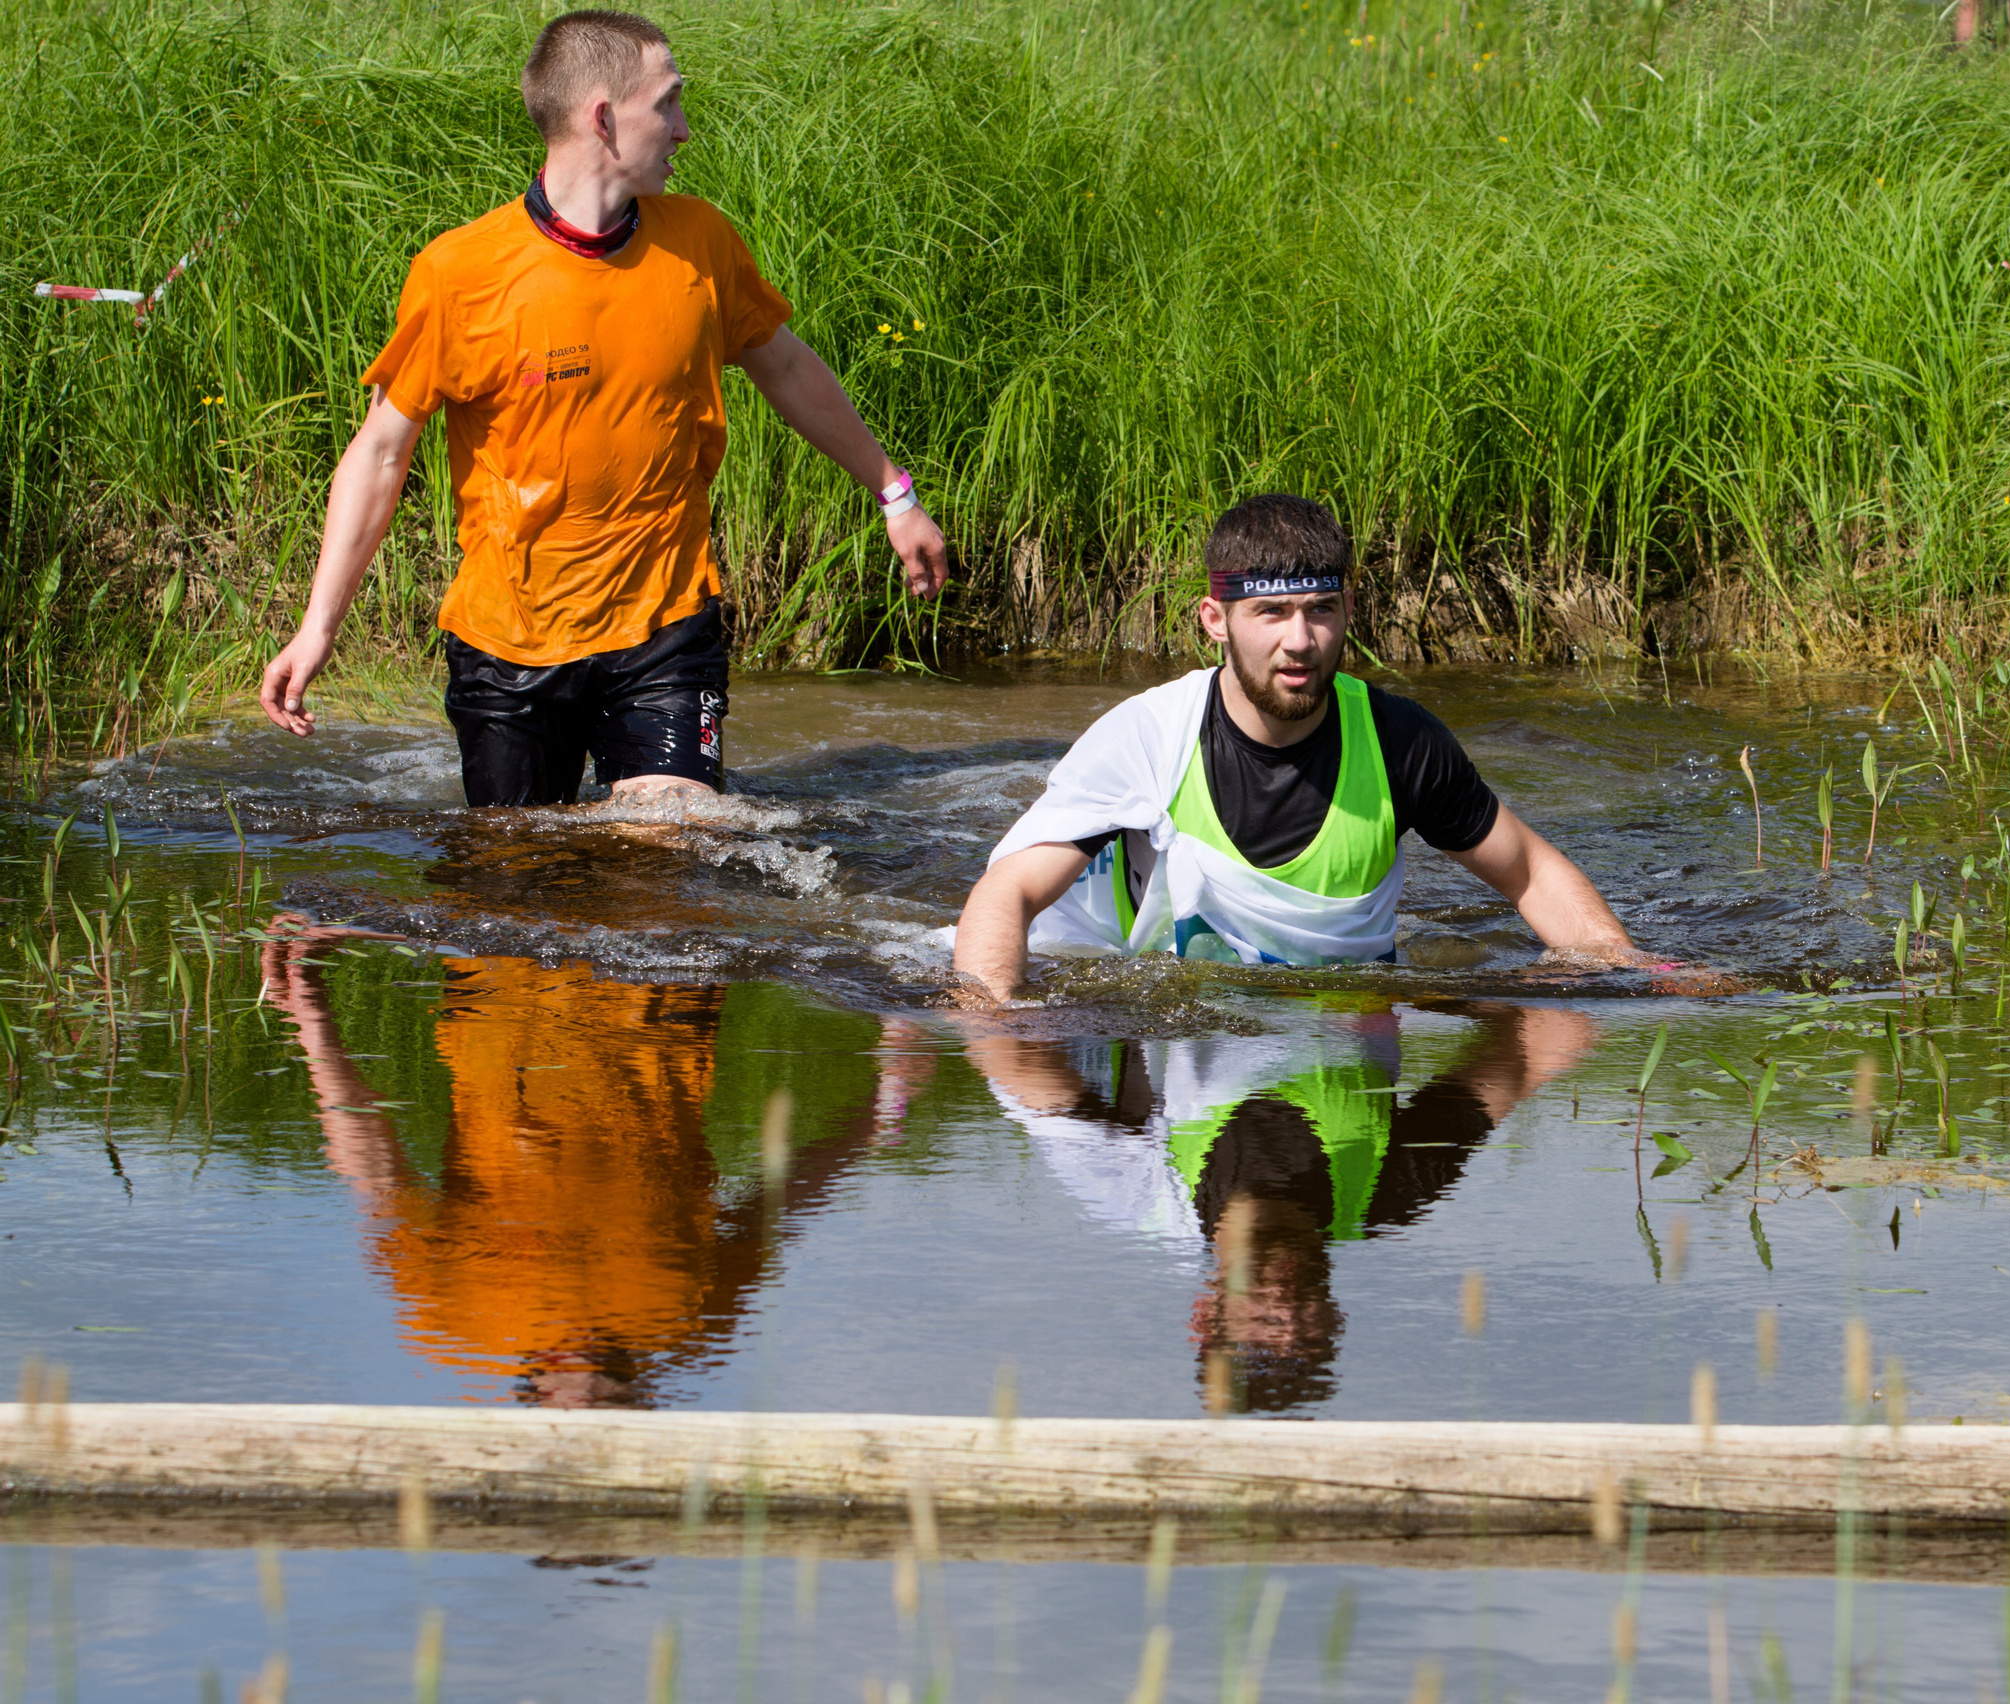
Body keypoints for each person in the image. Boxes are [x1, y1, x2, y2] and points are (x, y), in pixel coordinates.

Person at [256, 9, 948, 807]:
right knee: (521, 874)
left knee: (670, 847)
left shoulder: (702, 242)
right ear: (603, 118)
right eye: (668, 103)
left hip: (666, 627)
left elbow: (787, 368)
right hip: (509, 644)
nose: (683, 128)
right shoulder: (461, 274)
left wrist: (894, 493)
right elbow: (382, 451)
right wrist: (319, 627)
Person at [952, 493, 1669, 999]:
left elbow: (1530, 872)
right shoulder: (1146, 736)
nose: (1299, 641)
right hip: (1169, 1034)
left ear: (1348, 609)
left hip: (1344, 1024)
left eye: (1320, 610)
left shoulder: (1401, 739)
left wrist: (1626, 968)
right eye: (1270, 611)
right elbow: (1009, 890)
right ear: (1215, 619)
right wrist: (991, 1020)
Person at [261, 920, 934, 1406]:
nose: (586, 1411)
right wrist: (879, 1110)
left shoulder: (451, 1319)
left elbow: (376, 1169)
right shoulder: (693, 1323)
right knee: (666, 831)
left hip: (504, 991)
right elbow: (774, 1208)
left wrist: (311, 1015)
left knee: (537, 838)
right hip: (663, 988)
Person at [966, 1004, 1594, 1411]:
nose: (1292, 1313)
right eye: (1313, 1334)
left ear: (1205, 1315)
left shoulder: (1137, 1191)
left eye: (1266, 1328)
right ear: (1334, 1318)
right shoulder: (1389, 1192)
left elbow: (1004, 1047)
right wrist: (1458, 997)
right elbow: (1540, 1044)